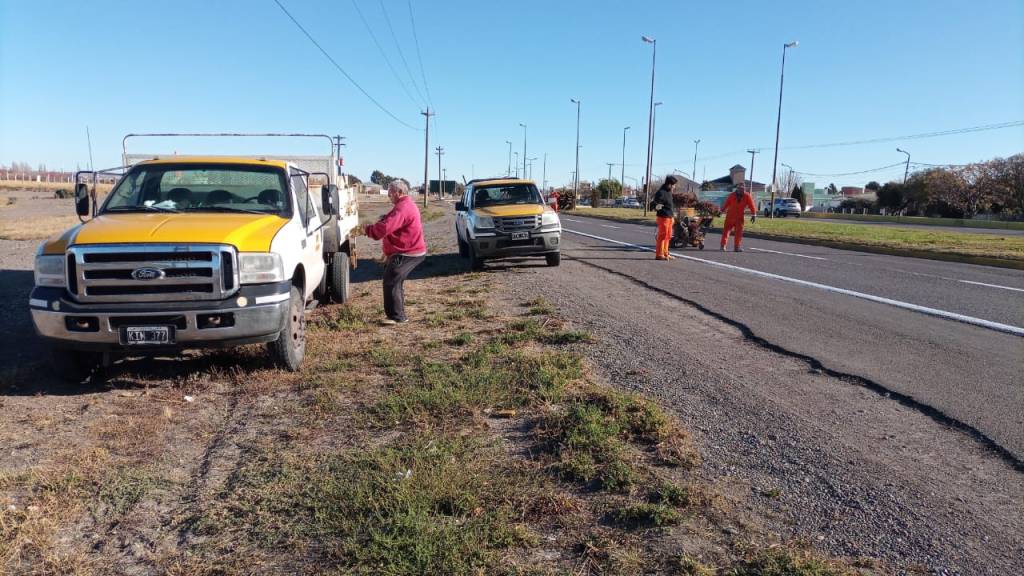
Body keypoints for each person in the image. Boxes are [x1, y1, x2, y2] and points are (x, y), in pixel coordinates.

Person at [363, 180, 427, 325]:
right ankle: (397, 315)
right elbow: (389, 223)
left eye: (391, 192)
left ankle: (397, 317)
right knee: (394, 281)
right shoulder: (404, 205)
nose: (389, 195)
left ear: (399, 192)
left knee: (391, 281)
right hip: (407, 251)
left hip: (408, 252)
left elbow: (385, 228)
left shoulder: (403, 207)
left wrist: (367, 230)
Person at [720, 183, 757, 252]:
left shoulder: (747, 196)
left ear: (744, 189)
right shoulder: (732, 195)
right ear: (737, 189)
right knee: (726, 231)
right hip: (730, 216)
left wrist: (753, 215)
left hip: (739, 217)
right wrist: (721, 211)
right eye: (740, 189)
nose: (741, 190)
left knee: (738, 233)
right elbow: (726, 204)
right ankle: (723, 245)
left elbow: (752, 205)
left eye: (742, 189)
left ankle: (736, 247)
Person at [649, 175, 678, 260]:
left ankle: (666, 253)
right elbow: (654, 204)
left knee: (668, 236)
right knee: (662, 235)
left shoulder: (669, 192)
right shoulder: (661, 192)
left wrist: (672, 216)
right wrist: (656, 206)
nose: (674, 187)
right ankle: (659, 254)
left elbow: (670, 205)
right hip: (663, 217)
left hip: (669, 217)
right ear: (669, 184)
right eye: (674, 185)